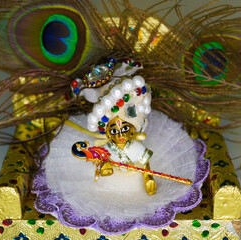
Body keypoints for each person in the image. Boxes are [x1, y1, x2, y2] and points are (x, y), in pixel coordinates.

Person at [32, 58, 209, 234]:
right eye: (114, 131)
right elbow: (102, 160)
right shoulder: (108, 146)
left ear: (133, 129)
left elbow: (144, 160)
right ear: (107, 132)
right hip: (108, 186)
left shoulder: (134, 146)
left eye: (125, 129)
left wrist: (148, 178)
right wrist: (105, 165)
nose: (121, 135)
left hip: (134, 184)